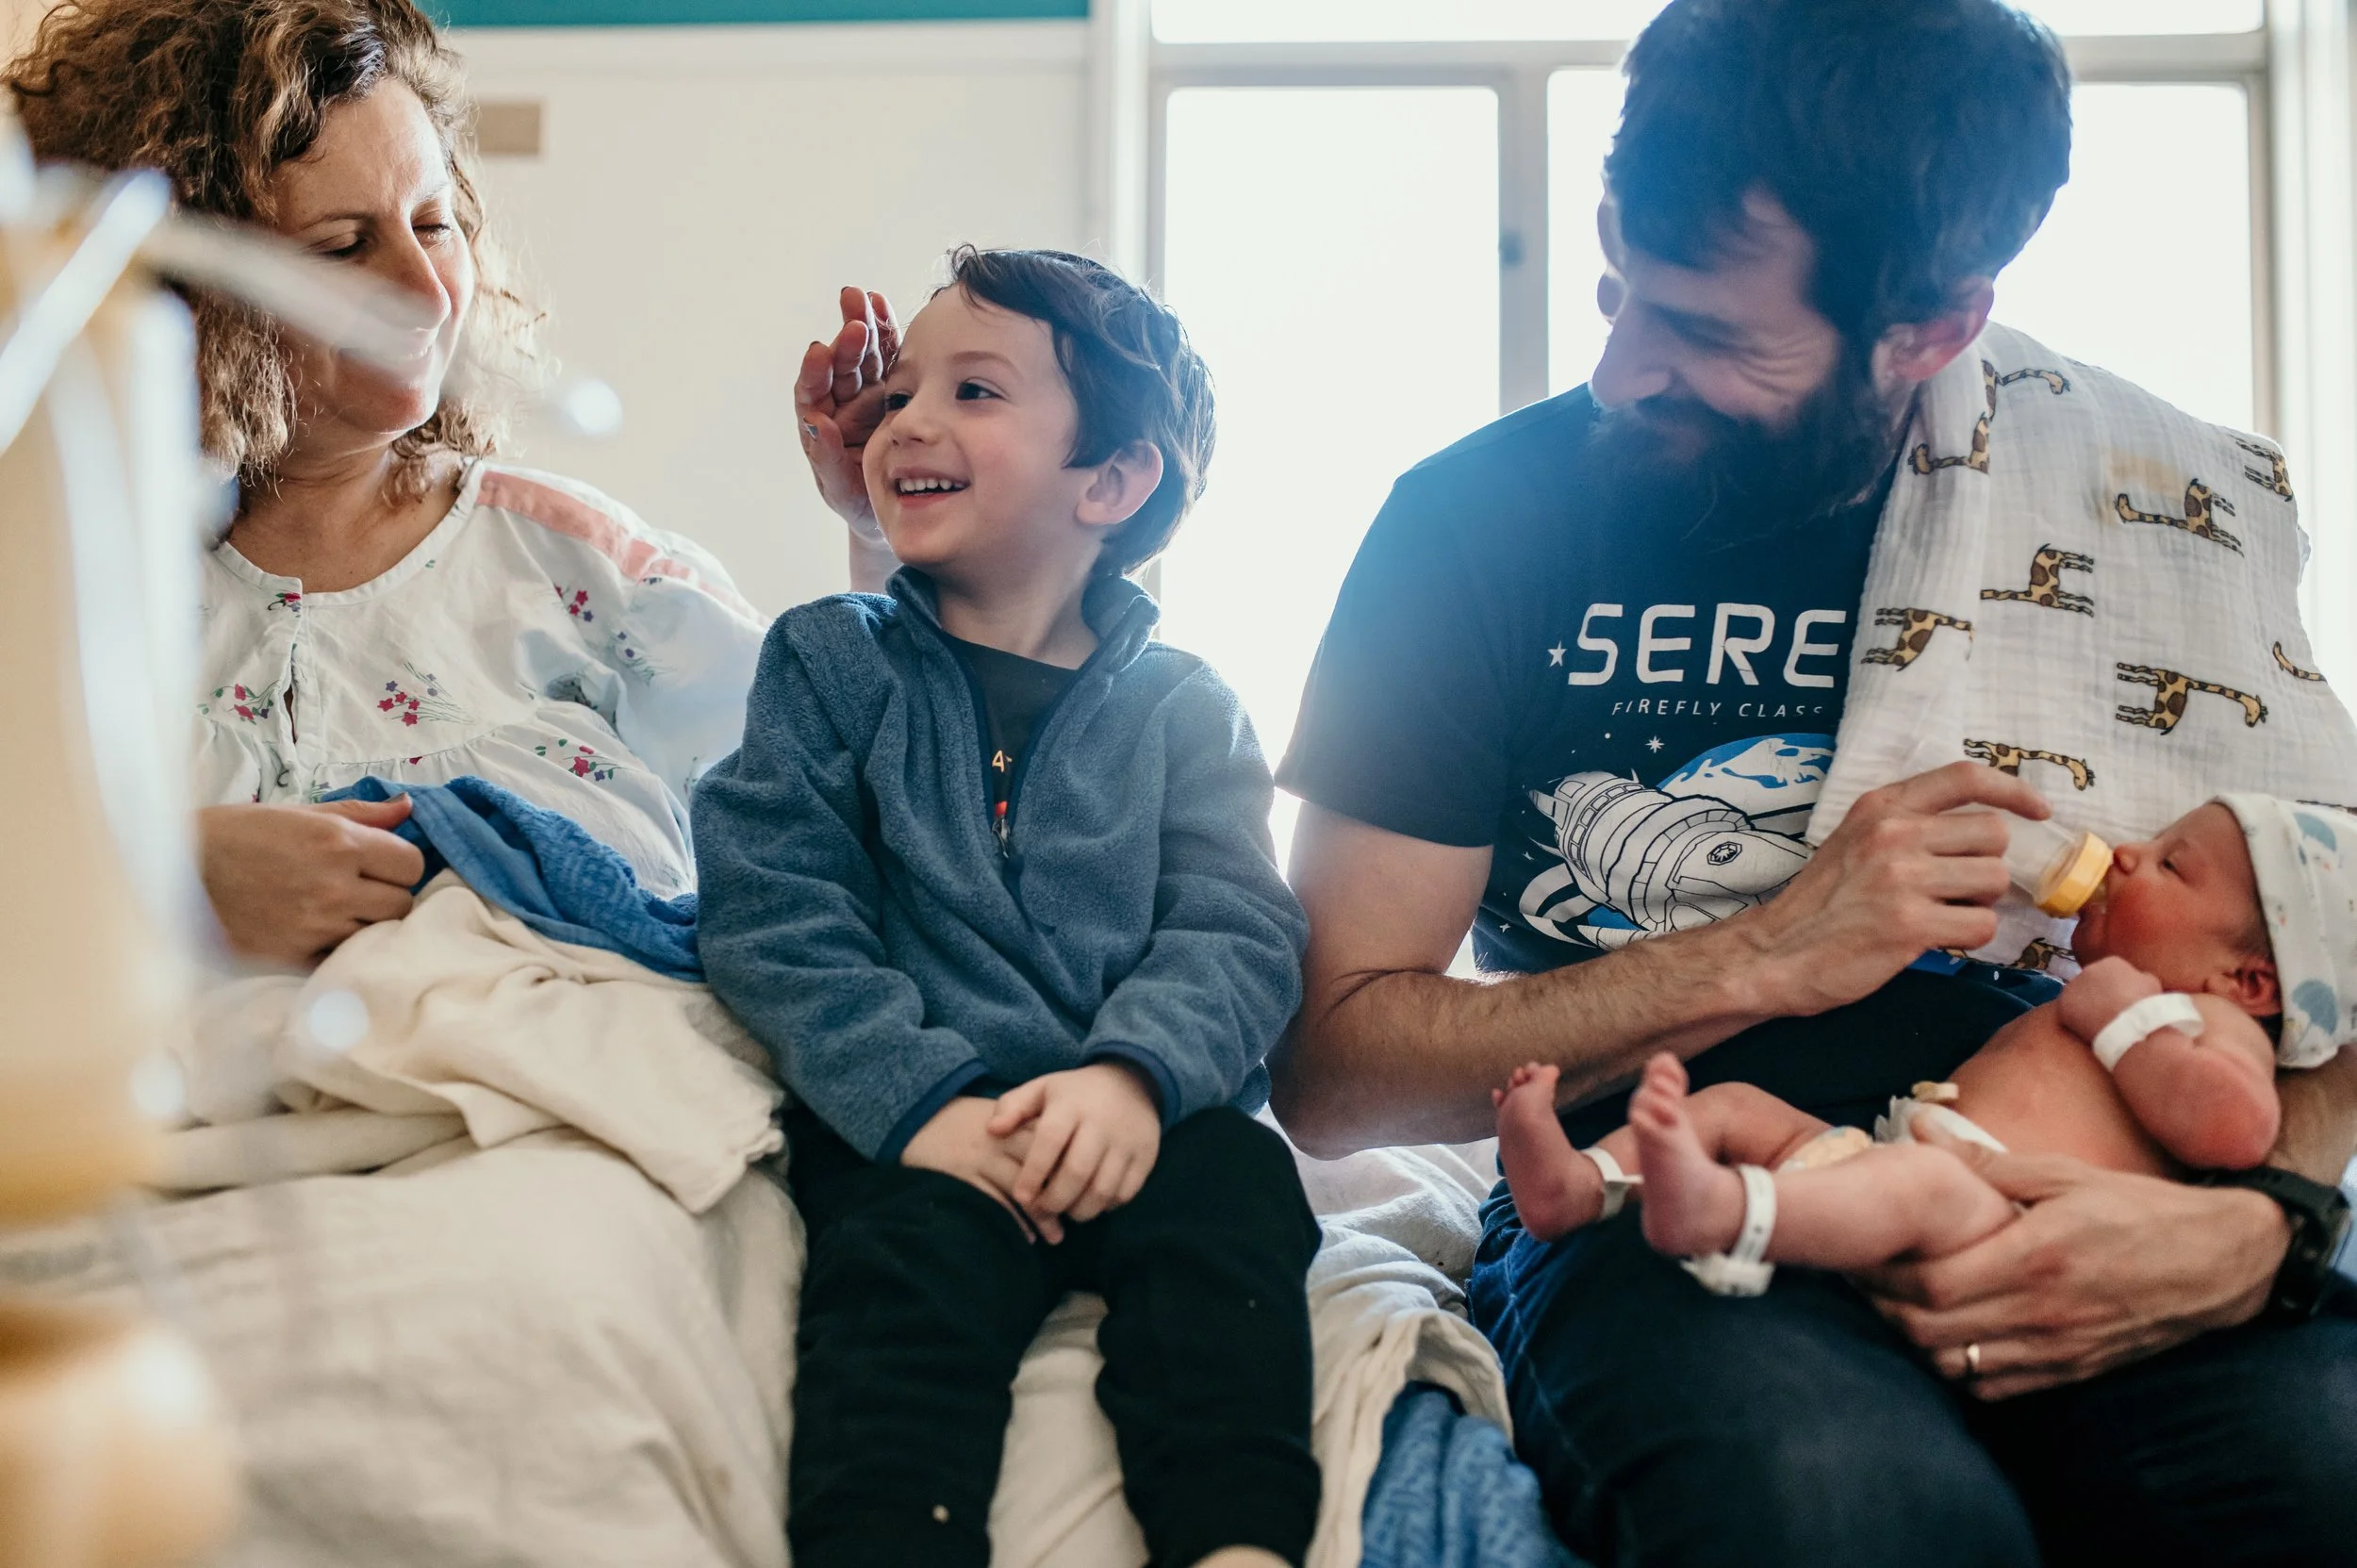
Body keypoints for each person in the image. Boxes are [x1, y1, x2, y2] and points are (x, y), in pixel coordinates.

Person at [1252, 1, 2357, 1563]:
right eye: (1615, 288)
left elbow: (2326, 950)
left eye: (1706, 333)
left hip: (2113, 1151)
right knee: (1846, 1512)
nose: (1625, 366)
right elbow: (1334, 1059)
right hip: (1684, 1167)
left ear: (1934, 326)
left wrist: (2262, 1233)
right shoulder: (1471, 525)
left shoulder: (2157, 509)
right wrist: (1769, 949)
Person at [695, 247, 1321, 1568]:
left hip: (1139, 1118)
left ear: (1112, 480)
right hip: (925, 1131)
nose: (908, 419)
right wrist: (924, 1107)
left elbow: (1237, 925)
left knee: (1238, 1196)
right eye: (904, 390)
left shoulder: (1186, 705)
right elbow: (773, 907)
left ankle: (1238, 1540)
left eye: (974, 390)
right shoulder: (827, 659)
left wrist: (1137, 1081)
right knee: (897, 1283)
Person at [7, 0, 765, 966]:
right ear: (183, 293)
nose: (425, 289)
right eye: (341, 246)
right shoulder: (67, 588)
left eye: (434, 223)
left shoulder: (583, 573)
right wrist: (174, 871)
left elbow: (852, 821)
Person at [1495, 798, 2323, 1275]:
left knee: (1920, 1185)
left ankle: (1726, 1212)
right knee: (1737, 1104)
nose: (2131, 853)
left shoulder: (2217, 1027)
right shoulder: (2139, 995)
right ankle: (1584, 1183)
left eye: (2173, 865)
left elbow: (2236, 1130)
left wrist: (2121, 1015)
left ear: (2251, 982)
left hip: (1998, 1215)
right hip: (1892, 1158)